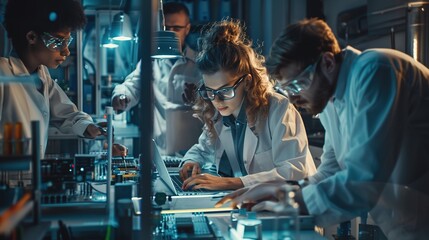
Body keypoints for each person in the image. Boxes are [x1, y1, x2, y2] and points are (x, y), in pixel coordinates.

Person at [216, 18, 429, 239]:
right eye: (286, 88)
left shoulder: (375, 70)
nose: (292, 98)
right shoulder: (330, 99)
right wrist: (282, 190)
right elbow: (331, 171)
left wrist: (289, 200)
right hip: (405, 225)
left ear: (327, 63)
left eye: (297, 85)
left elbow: (363, 181)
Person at [178, 19, 316, 191]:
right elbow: (202, 149)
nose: (217, 100)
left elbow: (295, 170)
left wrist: (233, 183)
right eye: (210, 91)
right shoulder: (219, 113)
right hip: (248, 203)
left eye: (225, 90)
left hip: (285, 205)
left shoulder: (278, 109)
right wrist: (191, 161)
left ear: (247, 82)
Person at [0, 0, 117, 158]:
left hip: (30, 179)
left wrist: (90, 126)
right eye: (58, 41)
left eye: (67, 41)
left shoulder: (42, 75)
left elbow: (67, 114)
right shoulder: (3, 74)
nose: (66, 51)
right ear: (32, 37)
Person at [111, 2, 202, 152]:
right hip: (159, 150)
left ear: (187, 29)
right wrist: (121, 96)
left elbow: (213, 107)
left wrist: (198, 99)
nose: (171, 33)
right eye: (166, 28)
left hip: (193, 152)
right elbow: (131, 87)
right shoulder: (150, 62)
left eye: (177, 28)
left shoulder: (200, 64)